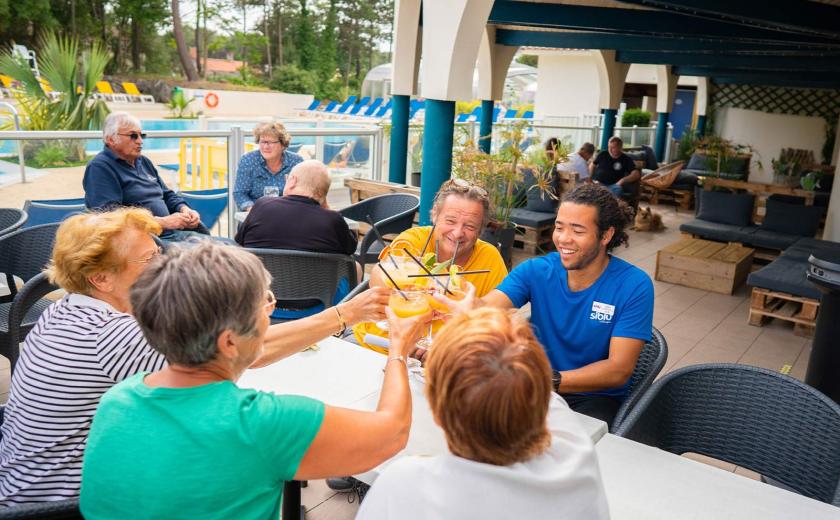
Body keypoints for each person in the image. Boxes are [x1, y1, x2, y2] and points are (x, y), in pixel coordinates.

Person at [0, 209, 390, 505]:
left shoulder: (65, 310)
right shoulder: (115, 337)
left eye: (159, 252)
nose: (165, 266)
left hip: (25, 477)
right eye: (149, 260)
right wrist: (344, 314)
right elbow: (248, 352)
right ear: (101, 279)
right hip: (62, 501)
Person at [79, 242, 430, 519]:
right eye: (265, 305)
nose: (269, 314)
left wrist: (343, 315)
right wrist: (399, 348)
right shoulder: (260, 423)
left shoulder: (117, 400)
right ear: (229, 341)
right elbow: (393, 433)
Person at [357, 308, 609, 520]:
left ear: (436, 412)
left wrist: (398, 352)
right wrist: (479, 326)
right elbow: (542, 393)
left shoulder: (407, 482)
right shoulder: (577, 453)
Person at [444, 184, 653, 427]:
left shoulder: (634, 285)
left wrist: (548, 379)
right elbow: (489, 306)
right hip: (534, 386)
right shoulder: (537, 270)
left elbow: (618, 370)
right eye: (559, 227)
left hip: (593, 399)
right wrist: (469, 303)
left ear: (606, 235)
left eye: (577, 230)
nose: (563, 239)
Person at [352, 178, 508, 355]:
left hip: (444, 362)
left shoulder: (489, 258)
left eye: (470, 226)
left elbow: (498, 323)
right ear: (435, 215)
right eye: (450, 221)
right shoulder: (414, 240)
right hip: (376, 346)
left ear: (480, 229)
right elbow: (378, 277)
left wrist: (447, 345)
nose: (457, 233)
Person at [83, 112, 207, 241]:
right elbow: (110, 218)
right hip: (144, 244)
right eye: (133, 136)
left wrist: (184, 209)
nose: (140, 141)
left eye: (141, 135)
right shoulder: (100, 167)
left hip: (170, 235)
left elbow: (166, 194)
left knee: (224, 247)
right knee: (213, 255)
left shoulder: (143, 161)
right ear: (111, 139)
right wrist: (162, 222)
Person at [235, 160, 355, 254]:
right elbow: (350, 249)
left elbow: (240, 240)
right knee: (356, 267)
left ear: (292, 181)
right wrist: (326, 207)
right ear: (323, 193)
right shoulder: (333, 220)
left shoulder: (262, 206)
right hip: (316, 284)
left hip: (264, 283)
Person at [233, 121, 304, 211]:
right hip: (257, 214)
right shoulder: (248, 160)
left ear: (282, 144)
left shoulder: (296, 162)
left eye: (270, 142)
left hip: (287, 213)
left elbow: (303, 193)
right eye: (263, 142)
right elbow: (240, 193)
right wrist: (252, 209)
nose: (266, 147)